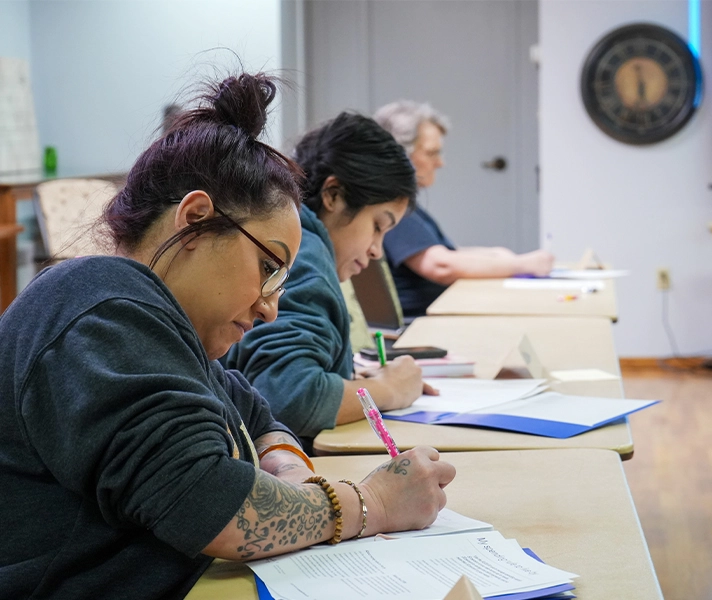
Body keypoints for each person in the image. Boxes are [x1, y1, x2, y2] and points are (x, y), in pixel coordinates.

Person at [0, 73, 455, 599]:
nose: (269, 307)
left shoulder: (161, 325)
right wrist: (372, 503)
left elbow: (259, 414)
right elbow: (210, 506)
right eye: (267, 265)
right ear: (194, 221)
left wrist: (287, 467)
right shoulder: (103, 309)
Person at [225, 112, 436, 445]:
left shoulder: (306, 245)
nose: (377, 251)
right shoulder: (306, 257)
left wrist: (347, 382)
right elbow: (288, 397)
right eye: (377, 226)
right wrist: (387, 390)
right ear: (333, 195)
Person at [374, 100, 556, 317]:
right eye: (432, 153)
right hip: (417, 330)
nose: (440, 163)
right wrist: (522, 264)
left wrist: (495, 255)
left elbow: (448, 251)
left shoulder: (407, 207)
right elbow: (442, 265)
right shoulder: (392, 207)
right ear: (399, 155)